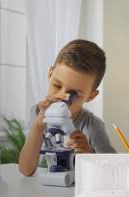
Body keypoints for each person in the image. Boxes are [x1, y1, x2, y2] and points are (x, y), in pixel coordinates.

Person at [19, 39, 116, 176]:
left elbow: (112, 172)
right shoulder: (37, 113)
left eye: (73, 94)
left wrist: (87, 155)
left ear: (90, 96)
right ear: (50, 74)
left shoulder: (92, 126)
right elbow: (26, 170)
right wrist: (38, 125)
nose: (61, 96)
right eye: (57, 86)